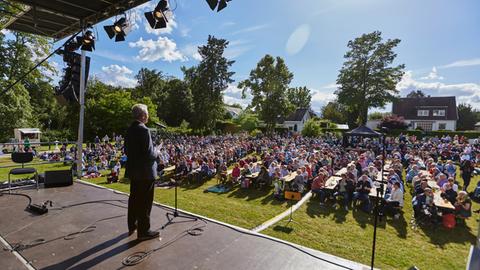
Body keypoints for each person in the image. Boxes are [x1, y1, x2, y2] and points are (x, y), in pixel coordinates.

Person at [125, 104, 160, 240]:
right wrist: (156, 151)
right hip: (145, 173)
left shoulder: (130, 129)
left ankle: (132, 225)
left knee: (134, 198)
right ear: (144, 116)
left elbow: (127, 151)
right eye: (148, 113)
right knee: (145, 202)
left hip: (134, 171)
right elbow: (148, 154)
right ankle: (144, 231)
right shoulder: (144, 130)